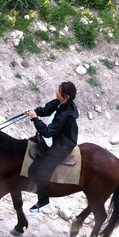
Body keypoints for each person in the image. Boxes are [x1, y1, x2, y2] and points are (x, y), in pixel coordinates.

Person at [23, 81, 79, 213]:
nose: (56, 92)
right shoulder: (59, 103)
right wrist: (33, 111)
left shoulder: (66, 114)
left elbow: (48, 132)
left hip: (61, 144)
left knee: (42, 173)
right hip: (53, 138)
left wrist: (35, 119)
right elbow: (46, 109)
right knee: (32, 168)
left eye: (59, 91)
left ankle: (43, 201)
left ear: (67, 96)